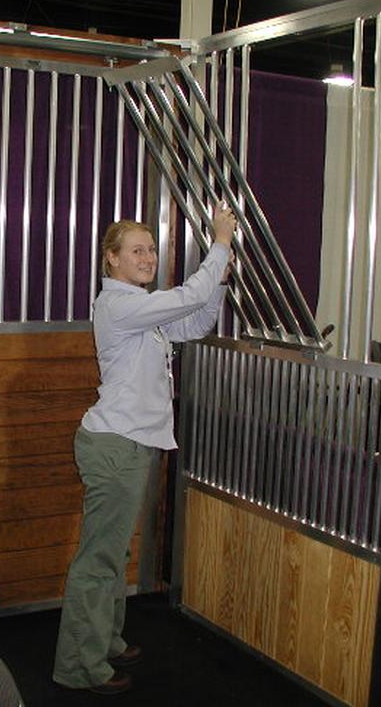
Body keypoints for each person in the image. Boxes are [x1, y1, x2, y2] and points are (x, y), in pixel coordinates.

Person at [52, 204, 237, 696]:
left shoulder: (142, 309)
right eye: (137, 250)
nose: (148, 257)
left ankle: (105, 640)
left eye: (152, 249)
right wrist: (219, 243)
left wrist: (219, 280)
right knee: (99, 560)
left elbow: (193, 323)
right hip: (116, 445)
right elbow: (188, 295)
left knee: (115, 551)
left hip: (132, 445)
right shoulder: (120, 305)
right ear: (111, 259)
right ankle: (80, 666)